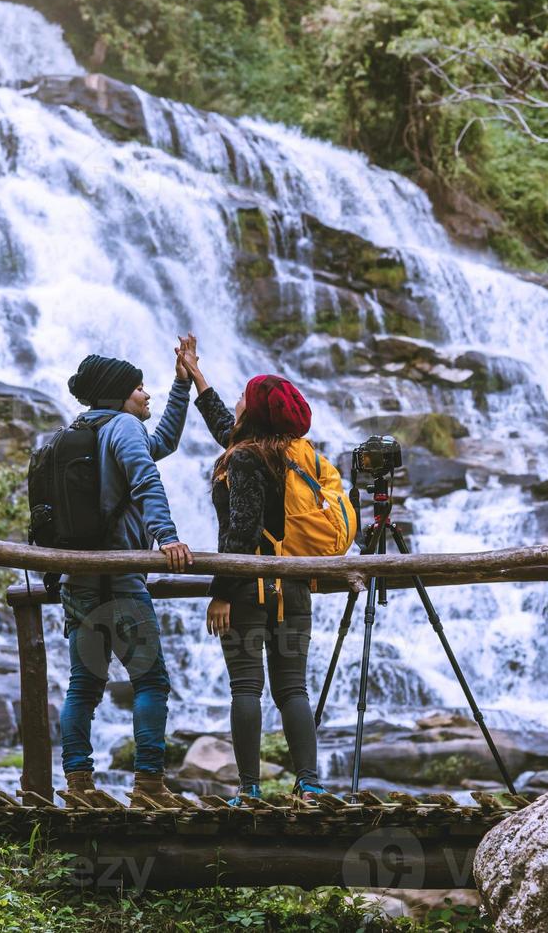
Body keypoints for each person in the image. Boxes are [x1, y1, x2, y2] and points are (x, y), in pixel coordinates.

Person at [175, 336, 330, 805]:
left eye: (245, 394)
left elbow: (241, 531)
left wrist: (221, 592)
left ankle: (249, 789)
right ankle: (309, 783)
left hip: (249, 594)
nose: (239, 399)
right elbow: (228, 424)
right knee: (293, 689)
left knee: (246, 687)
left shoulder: (243, 457)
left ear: (256, 411)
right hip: (295, 587)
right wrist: (197, 377)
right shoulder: (293, 452)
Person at [57, 352, 195, 802]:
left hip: (77, 578)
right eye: (139, 387)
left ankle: (78, 783)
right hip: (120, 578)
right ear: (120, 395)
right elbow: (145, 479)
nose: (145, 392)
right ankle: (149, 784)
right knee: (150, 682)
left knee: (84, 685)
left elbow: (161, 446)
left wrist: (181, 386)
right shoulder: (124, 427)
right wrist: (167, 537)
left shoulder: (78, 431)